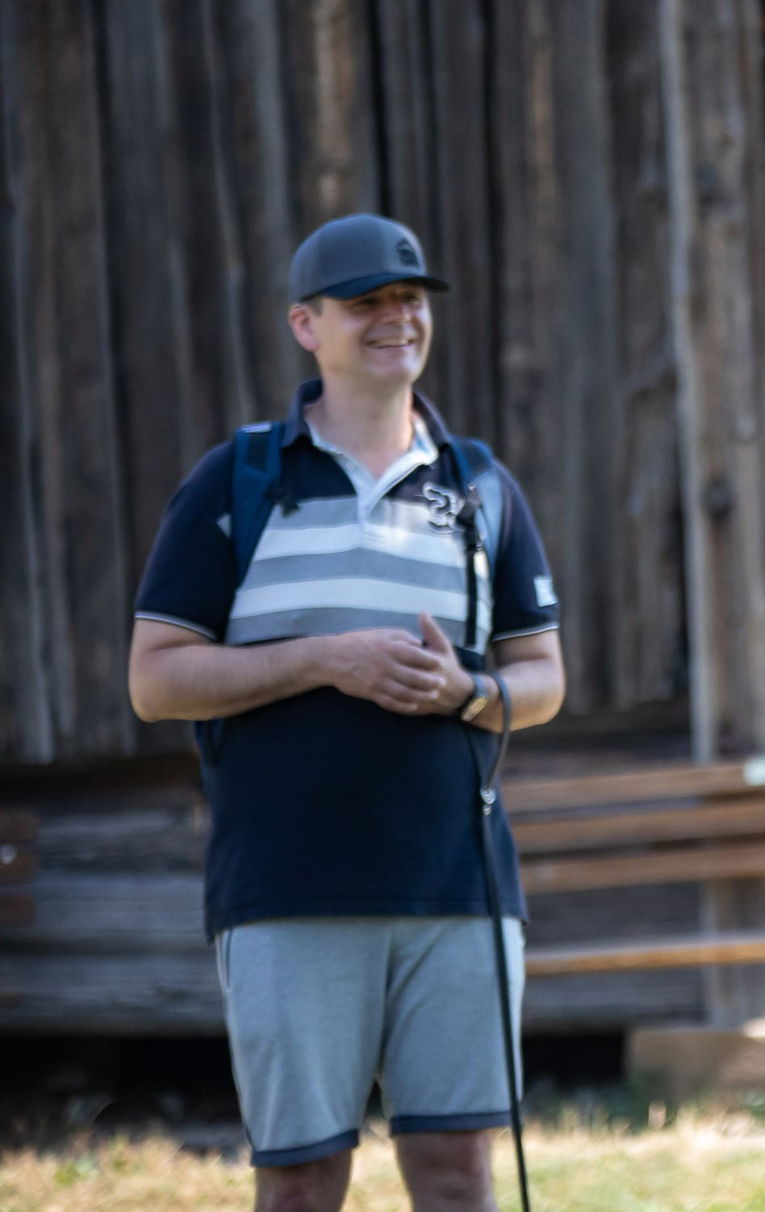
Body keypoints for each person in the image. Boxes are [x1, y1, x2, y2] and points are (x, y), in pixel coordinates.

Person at [127, 213, 564, 1212]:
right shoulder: (236, 481)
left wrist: (470, 694)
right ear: (304, 324)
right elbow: (154, 679)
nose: (395, 316)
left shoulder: (481, 485)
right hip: (286, 887)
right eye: (364, 300)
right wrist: (324, 659)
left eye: (409, 298)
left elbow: (541, 677)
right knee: (301, 1180)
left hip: (457, 888)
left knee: (458, 1176)